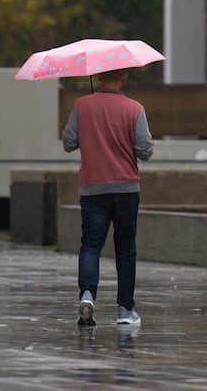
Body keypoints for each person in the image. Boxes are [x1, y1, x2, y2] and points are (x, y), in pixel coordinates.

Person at [61, 68, 153, 327]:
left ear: (98, 77)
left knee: (91, 246)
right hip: (126, 190)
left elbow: (68, 143)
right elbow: (145, 151)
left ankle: (88, 295)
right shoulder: (134, 109)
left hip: (93, 189)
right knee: (126, 250)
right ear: (124, 77)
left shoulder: (82, 105)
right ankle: (125, 310)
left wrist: (90, 129)